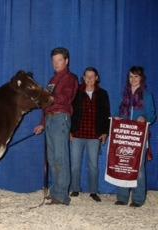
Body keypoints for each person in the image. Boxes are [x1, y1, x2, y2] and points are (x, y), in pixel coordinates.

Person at [34, 47, 78, 205]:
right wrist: (42, 123)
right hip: (50, 119)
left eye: (59, 60)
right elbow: (46, 105)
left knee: (61, 157)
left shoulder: (71, 78)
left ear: (66, 61)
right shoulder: (52, 81)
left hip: (61, 118)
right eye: (54, 60)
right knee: (52, 158)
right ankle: (55, 192)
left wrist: (46, 95)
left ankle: (62, 196)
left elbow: (64, 98)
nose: (56, 63)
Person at [114, 66, 156, 207]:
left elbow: (152, 115)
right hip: (124, 135)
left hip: (139, 136)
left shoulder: (147, 95)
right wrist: (117, 118)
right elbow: (117, 111)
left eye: (136, 76)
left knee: (138, 168)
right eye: (131, 76)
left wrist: (144, 117)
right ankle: (122, 197)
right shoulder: (123, 94)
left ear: (141, 78)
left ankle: (138, 199)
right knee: (123, 164)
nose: (133, 79)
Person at [70, 67, 110, 202]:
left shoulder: (103, 94)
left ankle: (93, 191)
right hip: (77, 133)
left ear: (97, 78)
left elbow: (106, 115)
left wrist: (105, 132)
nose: (89, 79)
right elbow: (70, 112)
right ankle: (75, 189)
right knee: (75, 164)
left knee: (93, 165)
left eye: (92, 76)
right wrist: (70, 131)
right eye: (87, 76)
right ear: (83, 77)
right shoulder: (76, 92)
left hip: (94, 135)